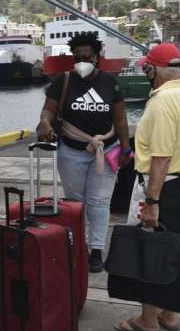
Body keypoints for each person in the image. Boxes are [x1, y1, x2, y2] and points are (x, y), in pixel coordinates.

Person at [114, 43, 180, 331]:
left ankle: (148, 319)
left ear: (152, 69)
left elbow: (161, 156)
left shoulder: (162, 102)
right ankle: (171, 313)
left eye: (146, 68)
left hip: (160, 185)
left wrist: (151, 200)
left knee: (150, 251)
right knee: (178, 250)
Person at [37, 31, 132, 272]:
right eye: (78, 57)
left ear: (97, 58)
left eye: (87, 57)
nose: (83, 62)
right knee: (76, 203)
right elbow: (47, 112)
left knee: (99, 202)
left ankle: (97, 249)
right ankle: (78, 245)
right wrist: (46, 124)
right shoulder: (63, 81)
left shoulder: (110, 83)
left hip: (105, 149)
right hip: (71, 151)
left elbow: (121, 120)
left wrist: (126, 149)